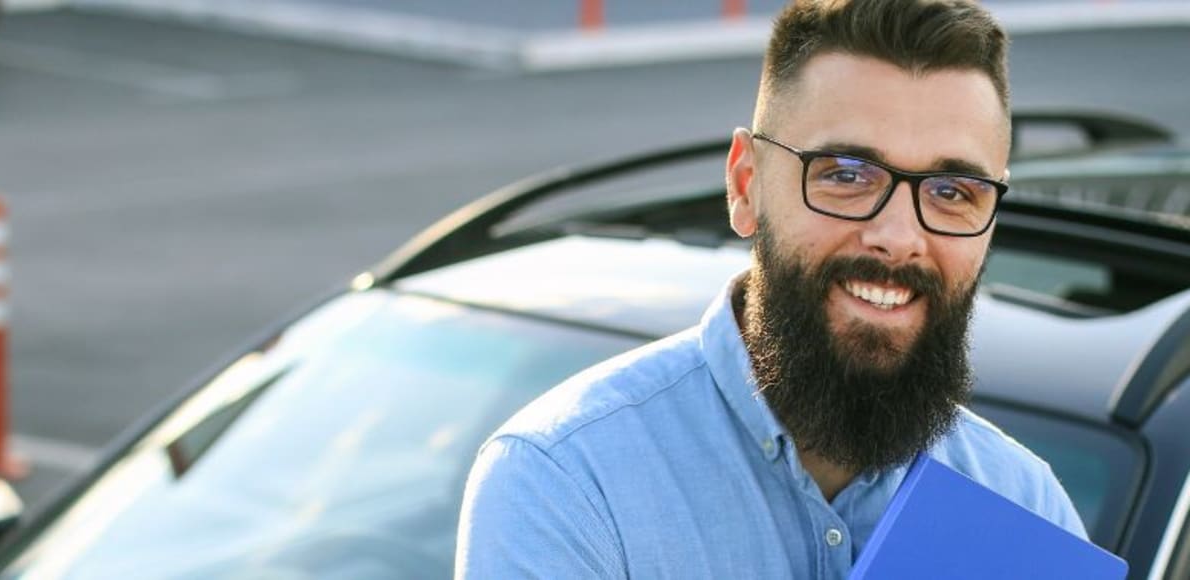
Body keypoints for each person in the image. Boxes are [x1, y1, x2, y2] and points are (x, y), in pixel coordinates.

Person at [455, 0, 1086, 577]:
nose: (898, 238)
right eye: (846, 175)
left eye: (952, 192)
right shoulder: (568, 484)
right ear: (745, 184)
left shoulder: (1026, 506)